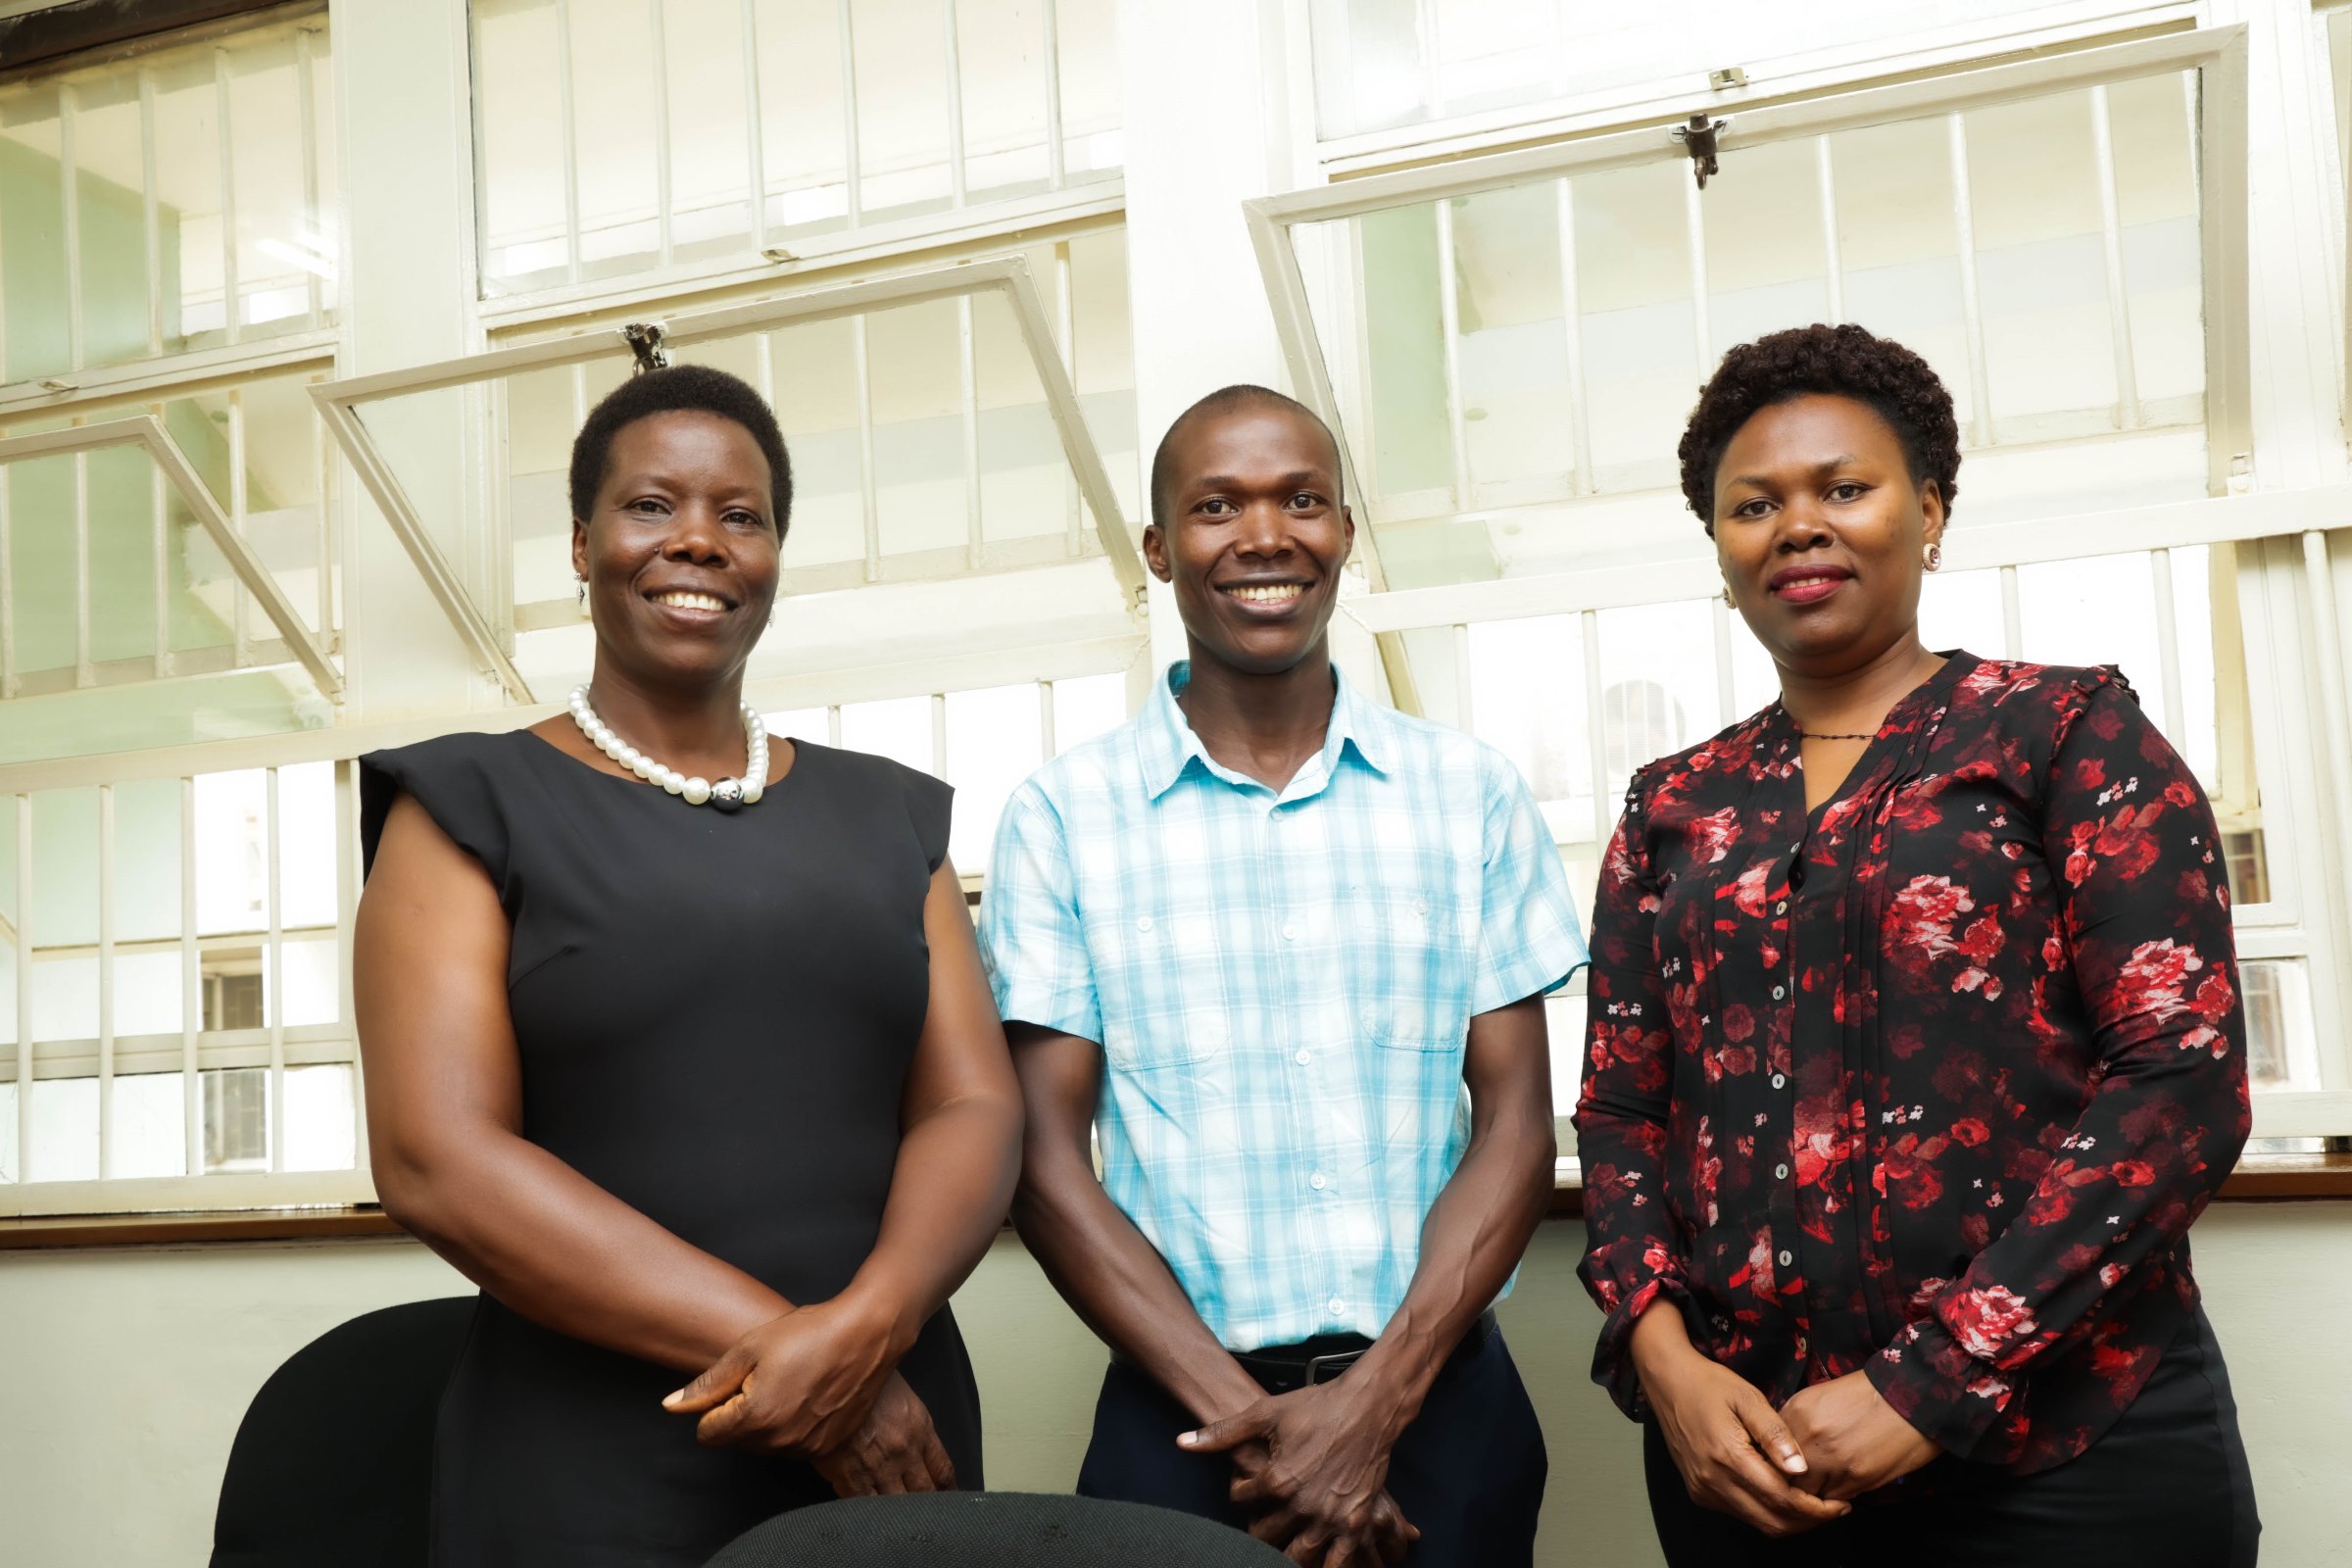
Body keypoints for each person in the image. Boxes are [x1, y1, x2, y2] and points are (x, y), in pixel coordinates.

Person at [1574, 322, 2258, 1567]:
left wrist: (1930, 1381)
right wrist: (1664, 1363)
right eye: (1753, 504)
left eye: (1845, 488)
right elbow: (1622, 1108)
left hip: (2069, 1453)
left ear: (1930, 512)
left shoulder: (2067, 734)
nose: (1799, 525)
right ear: (1720, 547)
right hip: (1752, 1461)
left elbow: (2182, 1087)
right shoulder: (1670, 802)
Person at [352, 364, 1022, 1567]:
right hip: (592, 1461)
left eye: (742, 514)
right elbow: (434, 1157)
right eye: (651, 506)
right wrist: (806, 1360)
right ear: (581, 541)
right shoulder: (468, 803)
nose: (698, 542)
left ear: (775, 551)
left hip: (894, 1435)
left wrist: (868, 1336)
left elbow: (973, 1101)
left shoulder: (891, 816)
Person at [978, 384, 1586, 1568]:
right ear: (1159, 549)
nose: (1265, 535)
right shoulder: (1063, 817)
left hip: (1442, 1408)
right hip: (1182, 1428)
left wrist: (1374, 1405)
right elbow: (1044, 1160)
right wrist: (1263, 1432)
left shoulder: (1469, 794)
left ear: (1346, 532)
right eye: (1217, 506)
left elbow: (1516, 1121)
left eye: (1302, 499)